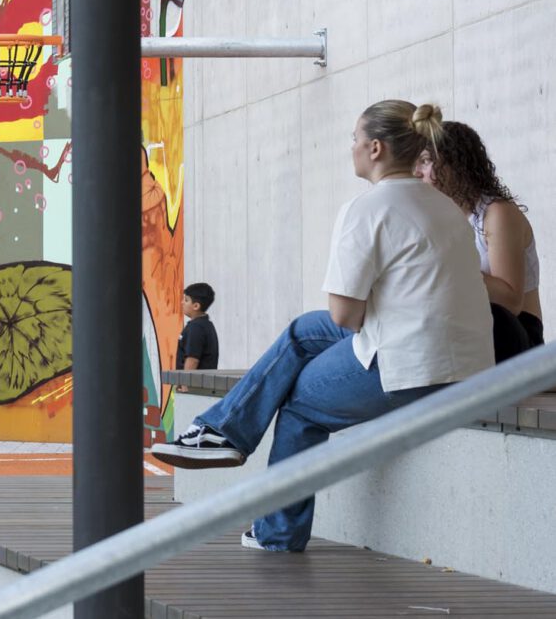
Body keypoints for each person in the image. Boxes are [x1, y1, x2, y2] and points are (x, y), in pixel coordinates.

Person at [150, 100, 493, 552]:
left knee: (299, 405)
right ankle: (223, 431)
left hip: (411, 369)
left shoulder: (368, 208)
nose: (349, 146)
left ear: (375, 148)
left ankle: (276, 528)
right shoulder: (445, 206)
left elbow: (346, 316)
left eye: (354, 139)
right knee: (302, 331)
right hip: (470, 367)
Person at [418, 120, 544, 357]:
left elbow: (511, 301)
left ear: (455, 163)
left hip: (517, 335)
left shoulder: (496, 213)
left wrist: (449, 263)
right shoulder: (443, 217)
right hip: (475, 329)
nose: (417, 172)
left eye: (425, 161)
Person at [176, 282, 219, 370]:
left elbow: (192, 360)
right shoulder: (206, 325)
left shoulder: (196, 328)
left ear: (196, 306)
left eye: (186, 300)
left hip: (193, 383)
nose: (182, 302)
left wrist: (185, 383)